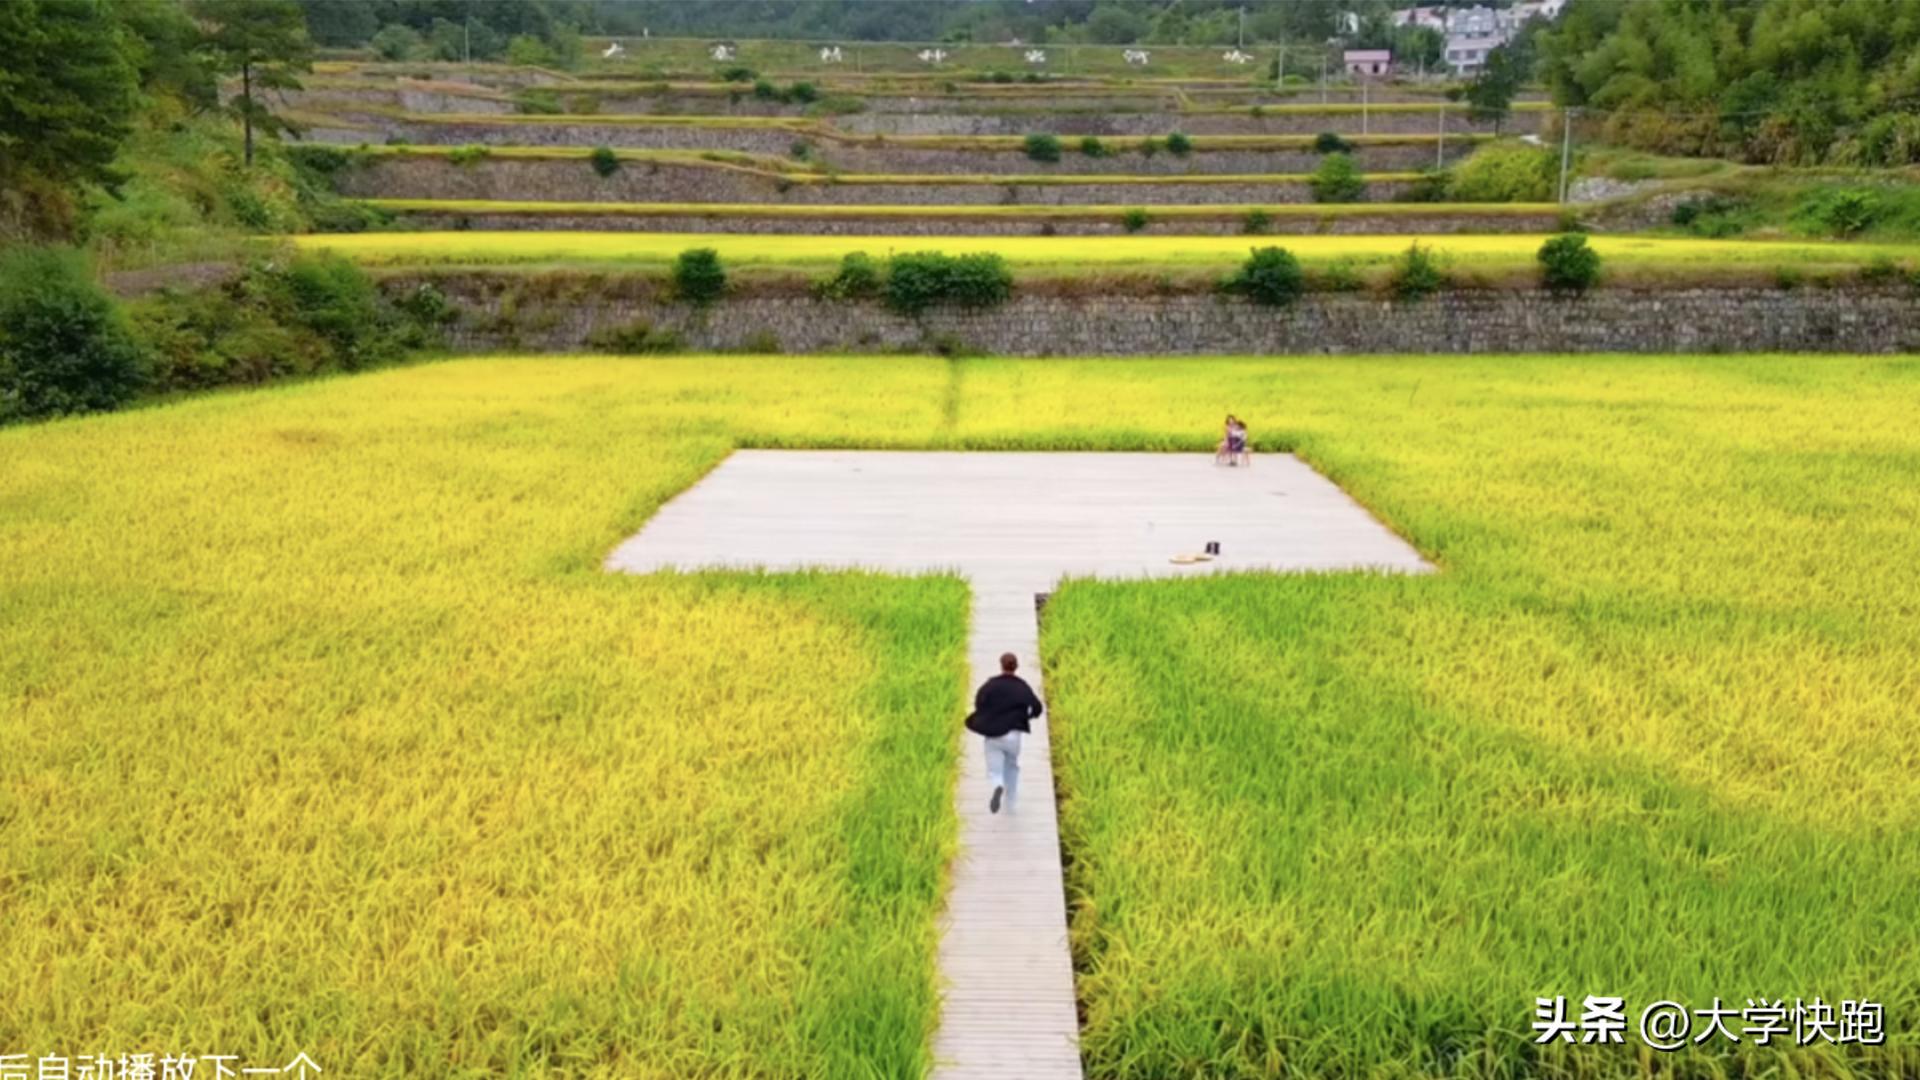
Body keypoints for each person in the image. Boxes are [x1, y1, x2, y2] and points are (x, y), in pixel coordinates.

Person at [964, 652, 1044, 814]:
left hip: (993, 734)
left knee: (994, 769)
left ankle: (997, 785)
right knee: (1012, 766)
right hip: (1014, 735)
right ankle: (1011, 801)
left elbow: (979, 703)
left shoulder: (990, 685)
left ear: (1001, 665)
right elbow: (1037, 708)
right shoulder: (1022, 686)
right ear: (1016, 667)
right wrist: (1028, 715)